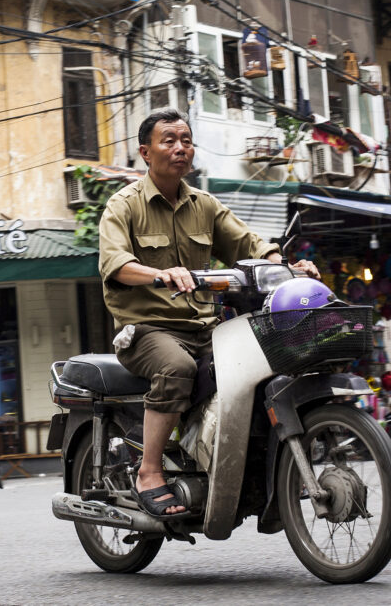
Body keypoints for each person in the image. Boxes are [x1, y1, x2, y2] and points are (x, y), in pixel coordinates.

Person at [98, 108, 318, 518]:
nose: (180, 148)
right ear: (146, 152)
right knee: (177, 368)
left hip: (205, 327)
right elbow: (115, 264)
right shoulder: (123, 206)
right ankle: (148, 471)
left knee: (260, 365)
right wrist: (159, 274)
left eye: (185, 139)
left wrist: (286, 264)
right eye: (169, 140)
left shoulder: (205, 205)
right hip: (147, 331)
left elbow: (247, 242)